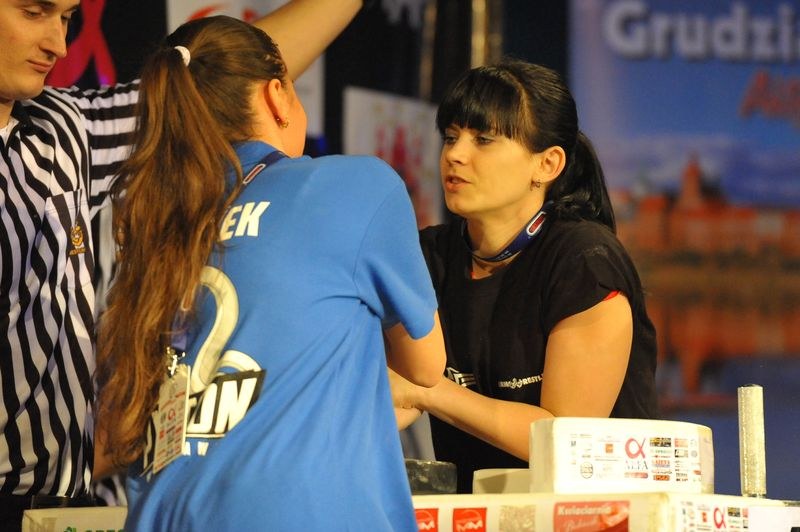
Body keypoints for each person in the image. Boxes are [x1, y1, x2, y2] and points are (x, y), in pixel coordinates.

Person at [0, 0, 365, 525]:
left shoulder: (60, 127)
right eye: (34, 12)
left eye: (67, 18)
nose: (58, 44)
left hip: (62, 502)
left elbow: (217, 74)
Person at [93, 15, 445, 530]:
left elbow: (121, 427)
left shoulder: (155, 224)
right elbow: (426, 367)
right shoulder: (356, 184)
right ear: (277, 95)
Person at [391, 59, 659, 494]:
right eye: (451, 137)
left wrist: (427, 391)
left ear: (547, 165)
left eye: (483, 140)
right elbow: (390, 393)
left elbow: (566, 441)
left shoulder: (584, 260)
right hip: (477, 514)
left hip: (597, 514)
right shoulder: (425, 257)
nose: (455, 154)